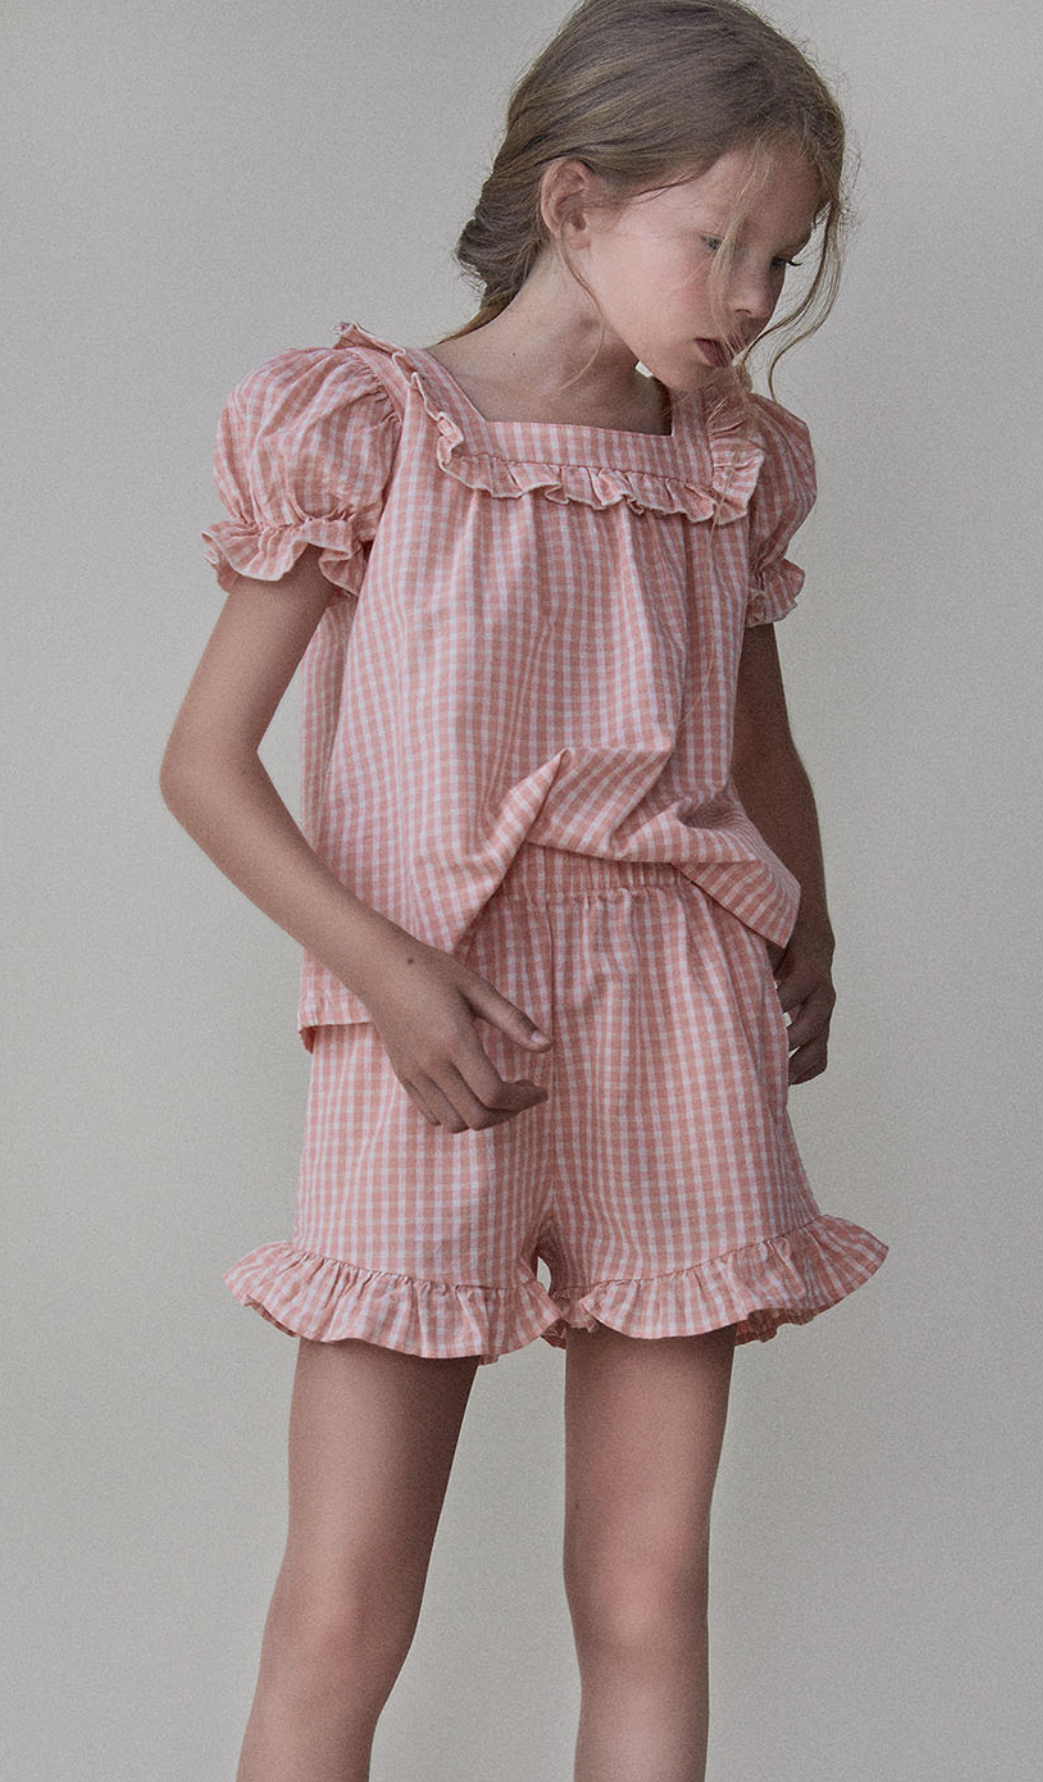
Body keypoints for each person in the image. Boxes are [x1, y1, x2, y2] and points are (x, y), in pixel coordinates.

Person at [161, 1, 887, 1776]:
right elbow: (204, 764)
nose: (748, 296)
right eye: (715, 241)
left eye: (781, 260)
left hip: (679, 1008)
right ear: (574, 204)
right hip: (435, 1012)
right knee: (342, 1605)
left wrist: (805, 922)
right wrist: (382, 971)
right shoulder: (372, 426)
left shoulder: (724, 463)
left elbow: (756, 744)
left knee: (646, 1591)